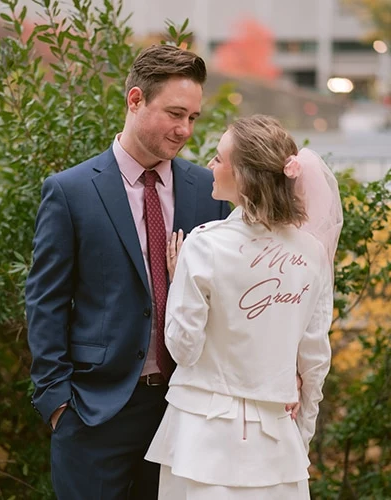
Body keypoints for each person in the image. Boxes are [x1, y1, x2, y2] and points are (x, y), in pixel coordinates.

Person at [25, 44, 231, 500]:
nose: (185, 130)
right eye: (175, 113)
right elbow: (45, 301)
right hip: (95, 413)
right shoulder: (70, 191)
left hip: (186, 411)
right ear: (135, 100)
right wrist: (58, 402)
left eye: (193, 118)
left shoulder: (209, 190)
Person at [145, 114, 343, 499]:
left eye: (219, 159)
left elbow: (183, 349)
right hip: (277, 443)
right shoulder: (313, 254)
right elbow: (315, 360)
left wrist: (177, 280)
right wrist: (301, 435)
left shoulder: (203, 245)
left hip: (201, 438)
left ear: (245, 176)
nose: (210, 167)